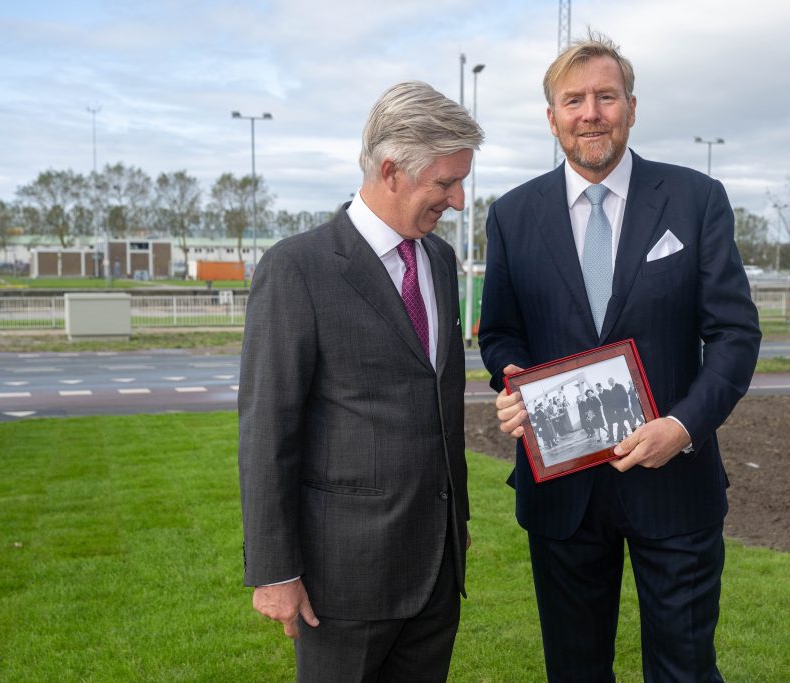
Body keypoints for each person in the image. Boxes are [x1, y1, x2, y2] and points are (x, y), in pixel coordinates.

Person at [478, 33, 761, 682]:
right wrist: (512, 378)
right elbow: (499, 335)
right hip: (562, 493)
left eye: (606, 96)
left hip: (676, 483)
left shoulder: (696, 200)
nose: (591, 113)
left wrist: (683, 426)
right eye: (572, 100)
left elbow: (735, 336)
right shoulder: (513, 217)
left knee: (685, 669)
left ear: (632, 106)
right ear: (551, 119)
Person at [238, 80, 483, 682]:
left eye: (461, 181)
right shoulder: (298, 268)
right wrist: (275, 571)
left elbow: (439, 402)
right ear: (393, 170)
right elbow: (268, 429)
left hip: (436, 569)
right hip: (341, 580)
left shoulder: (440, 262)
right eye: (445, 183)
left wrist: (459, 526)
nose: (456, 201)